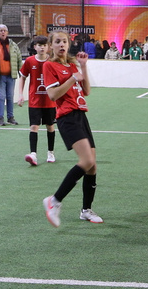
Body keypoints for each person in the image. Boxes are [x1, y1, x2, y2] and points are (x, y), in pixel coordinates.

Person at [41, 31, 103, 226]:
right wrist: (72, 79)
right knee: (86, 160)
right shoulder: (49, 66)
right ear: (51, 45)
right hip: (67, 118)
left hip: (81, 116)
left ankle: (86, 210)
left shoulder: (73, 65)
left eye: (64, 42)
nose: (61, 45)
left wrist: (83, 67)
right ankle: (54, 201)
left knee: (92, 166)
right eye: (57, 42)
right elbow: (52, 95)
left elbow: (87, 91)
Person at [19, 36, 58, 166]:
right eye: (39, 45)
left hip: (49, 101)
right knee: (34, 126)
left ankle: (50, 152)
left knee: (50, 126)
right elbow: (23, 77)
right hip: (34, 101)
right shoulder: (29, 61)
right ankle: (33, 154)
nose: (42, 47)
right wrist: (20, 94)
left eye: (44, 45)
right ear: (35, 47)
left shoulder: (52, 61)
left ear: (48, 47)